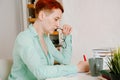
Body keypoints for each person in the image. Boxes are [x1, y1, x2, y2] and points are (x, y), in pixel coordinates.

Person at [8, 0, 89, 80]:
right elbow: (40, 72)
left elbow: (65, 60)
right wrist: (77, 68)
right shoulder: (24, 38)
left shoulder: (45, 39)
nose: (58, 25)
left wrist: (66, 36)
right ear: (42, 16)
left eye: (59, 20)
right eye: (56, 19)